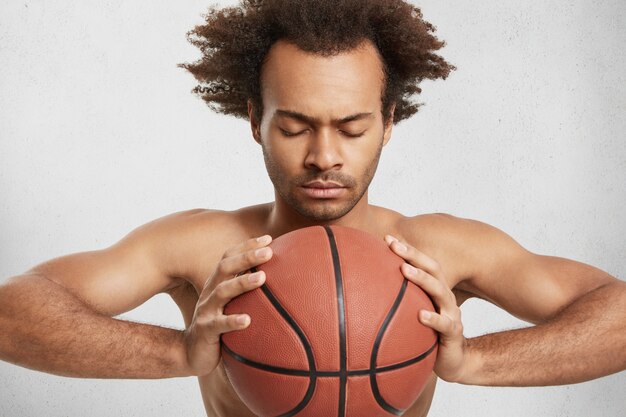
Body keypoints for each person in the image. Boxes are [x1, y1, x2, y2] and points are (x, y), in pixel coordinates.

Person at [0, 0, 624, 416]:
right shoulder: (199, 250)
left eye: (351, 128)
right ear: (255, 121)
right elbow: (10, 312)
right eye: (295, 127)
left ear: (388, 122)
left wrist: (476, 360)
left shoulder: (441, 253)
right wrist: (176, 351)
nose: (324, 156)